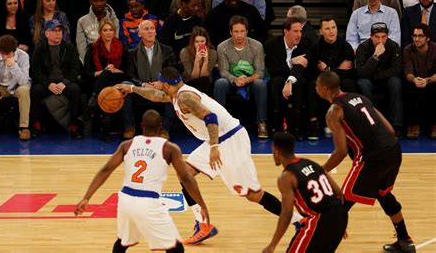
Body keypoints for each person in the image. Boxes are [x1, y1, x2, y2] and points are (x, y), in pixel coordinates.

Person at [115, 66, 302, 245]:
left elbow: (210, 117)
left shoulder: (185, 98)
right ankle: (203, 225)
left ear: (166, 84)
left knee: (252, 194)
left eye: (160, 82)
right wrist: (131, 88)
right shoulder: (175, 93)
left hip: (229, 140)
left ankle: (298, 220)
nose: (157, 85)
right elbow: (155, 96)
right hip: (217, 139)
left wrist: (214, 146)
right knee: (184, 173)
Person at [75, 109, 209, 253]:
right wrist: (202, 205)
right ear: (161, 126)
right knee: (175, 247)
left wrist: (86, 197)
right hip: (148, 202)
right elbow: (186, 178)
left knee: (122, 242)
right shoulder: (169, 148)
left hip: (125, 200)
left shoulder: (127, 145)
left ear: (141, 125)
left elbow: (105, 170)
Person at [316, 71, 416, 253]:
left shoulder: (333, 111)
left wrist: (320, 171)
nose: (315, 88)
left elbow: (340, 152)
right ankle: (405, 240)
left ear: (324, 89)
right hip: (393, 150)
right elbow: (390, 130)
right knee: (383, 194)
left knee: (340, 203)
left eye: (316, 86)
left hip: (372, 157)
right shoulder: (359, 97)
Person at [262, 132, 348, 253]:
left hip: (320, 220)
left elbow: (286, 214)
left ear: (276, 152)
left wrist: (272, 245)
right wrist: (338, 221)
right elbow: (338, 192)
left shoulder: (286, 177)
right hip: (340, 215)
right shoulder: (311, 163)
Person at [30, 19, 82, 139]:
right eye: (54, 30)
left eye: (60, 30)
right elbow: (36, 71)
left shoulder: (69, 48)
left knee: (75, 90)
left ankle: (74, 126)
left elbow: (75, 69)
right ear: (47, 33)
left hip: (64, 83)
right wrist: (48, 84)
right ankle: (36, 125)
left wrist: (65, 82)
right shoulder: (40, 48)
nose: (58, 33)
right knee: (35, 90)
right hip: (48, 83)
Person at [82, 17, 132, 141]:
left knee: (108, 78)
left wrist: (116, 70)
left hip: (118, 79)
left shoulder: (122, 46)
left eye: (111, 30)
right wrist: (102, 72)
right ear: (100, 32)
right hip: (98, 81)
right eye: (105, 30)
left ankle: (90, 108)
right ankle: (105, 129)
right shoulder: (92, 47)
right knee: (106, 81)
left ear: (114, 31)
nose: (108, 32)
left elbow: (128, 71)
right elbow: (87, 73)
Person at [403, 23, 436, 139]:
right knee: (408, 86)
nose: (416, 39)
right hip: (415, 81)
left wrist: (428, 80)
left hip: (431, 81)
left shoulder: (435, 49)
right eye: (414, 36)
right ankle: (413, 125)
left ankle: (434, 125)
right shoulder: (408, 49)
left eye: (420, 36)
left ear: (428, 38)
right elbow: (408, 72)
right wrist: (414, 79)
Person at [179, 26, 217, 96]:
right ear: (192, 42)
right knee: (201, 83)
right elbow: (193, 77)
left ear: (206, 41)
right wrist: (197, 61)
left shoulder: (212, 53)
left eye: (202, 41)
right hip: (190, 82)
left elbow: (204, 76)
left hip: (206, 83)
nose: (200, 44)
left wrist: (205, 61)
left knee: (204, 81)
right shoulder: (185, 52)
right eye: (197, 42)